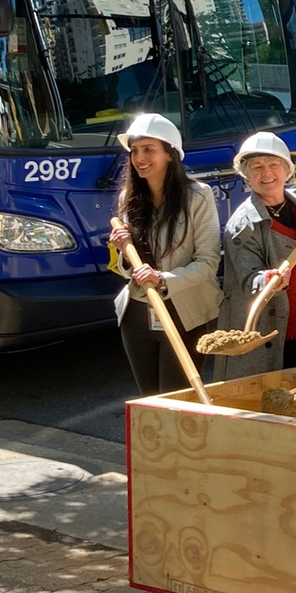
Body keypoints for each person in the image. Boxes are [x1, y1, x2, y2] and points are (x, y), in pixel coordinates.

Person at [108, 113, 223, 395]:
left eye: (149, 149)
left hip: (185, 312)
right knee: (150, 400)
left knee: (176, 397)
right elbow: (127, 268)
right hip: (136, 314)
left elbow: (208, 262)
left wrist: (162, 279)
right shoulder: (129, 198)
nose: (139, 158)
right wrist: (124, 252)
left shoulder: (198, 196)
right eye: (134, 150)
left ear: (170, 154)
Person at [214, 131, 296, 380]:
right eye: (257, 167)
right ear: (246, 176)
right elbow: (249, 279)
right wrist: (268, 279)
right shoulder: (244, 224)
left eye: (273, 164)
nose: (266, 173)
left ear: (287, 170)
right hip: (276, 336)